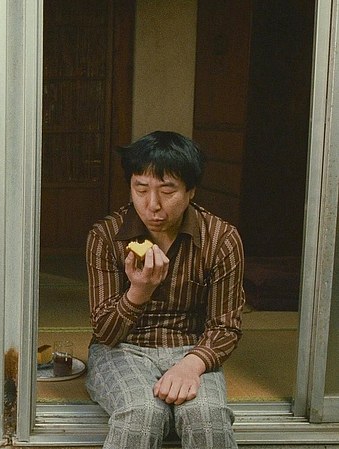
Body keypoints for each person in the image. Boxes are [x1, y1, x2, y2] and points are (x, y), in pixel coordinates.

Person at [84, 131, 244, 448]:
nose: (153, 205)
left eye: (167, 191)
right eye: (141, 189)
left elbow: (225, 326)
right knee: (141, 413)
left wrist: (192, 364)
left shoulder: (221, 239)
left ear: (191, 190)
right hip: (122, 348)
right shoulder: (106, 236)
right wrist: (138, 292)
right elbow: (105, 332)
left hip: (192, 347)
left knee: (207, 416)